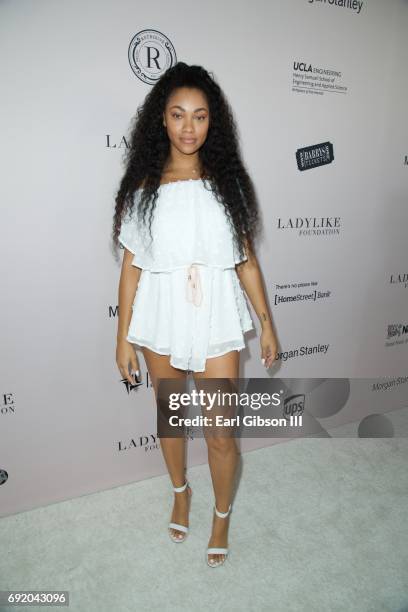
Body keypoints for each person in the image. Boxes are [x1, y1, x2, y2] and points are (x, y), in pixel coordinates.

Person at [113, 62, 278, 567]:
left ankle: (222, 514)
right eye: (178, 115)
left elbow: (245, 259)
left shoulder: (226, 181)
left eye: (200, 116)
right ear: (161, 120)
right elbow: (131, 270)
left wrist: (266, 323)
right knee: (170, 419)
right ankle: (181, 490)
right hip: (161, 312)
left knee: (220, 431)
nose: (189, 127)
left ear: (213, 123)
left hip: (216, 316)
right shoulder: (145, 184)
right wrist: (122, 339)